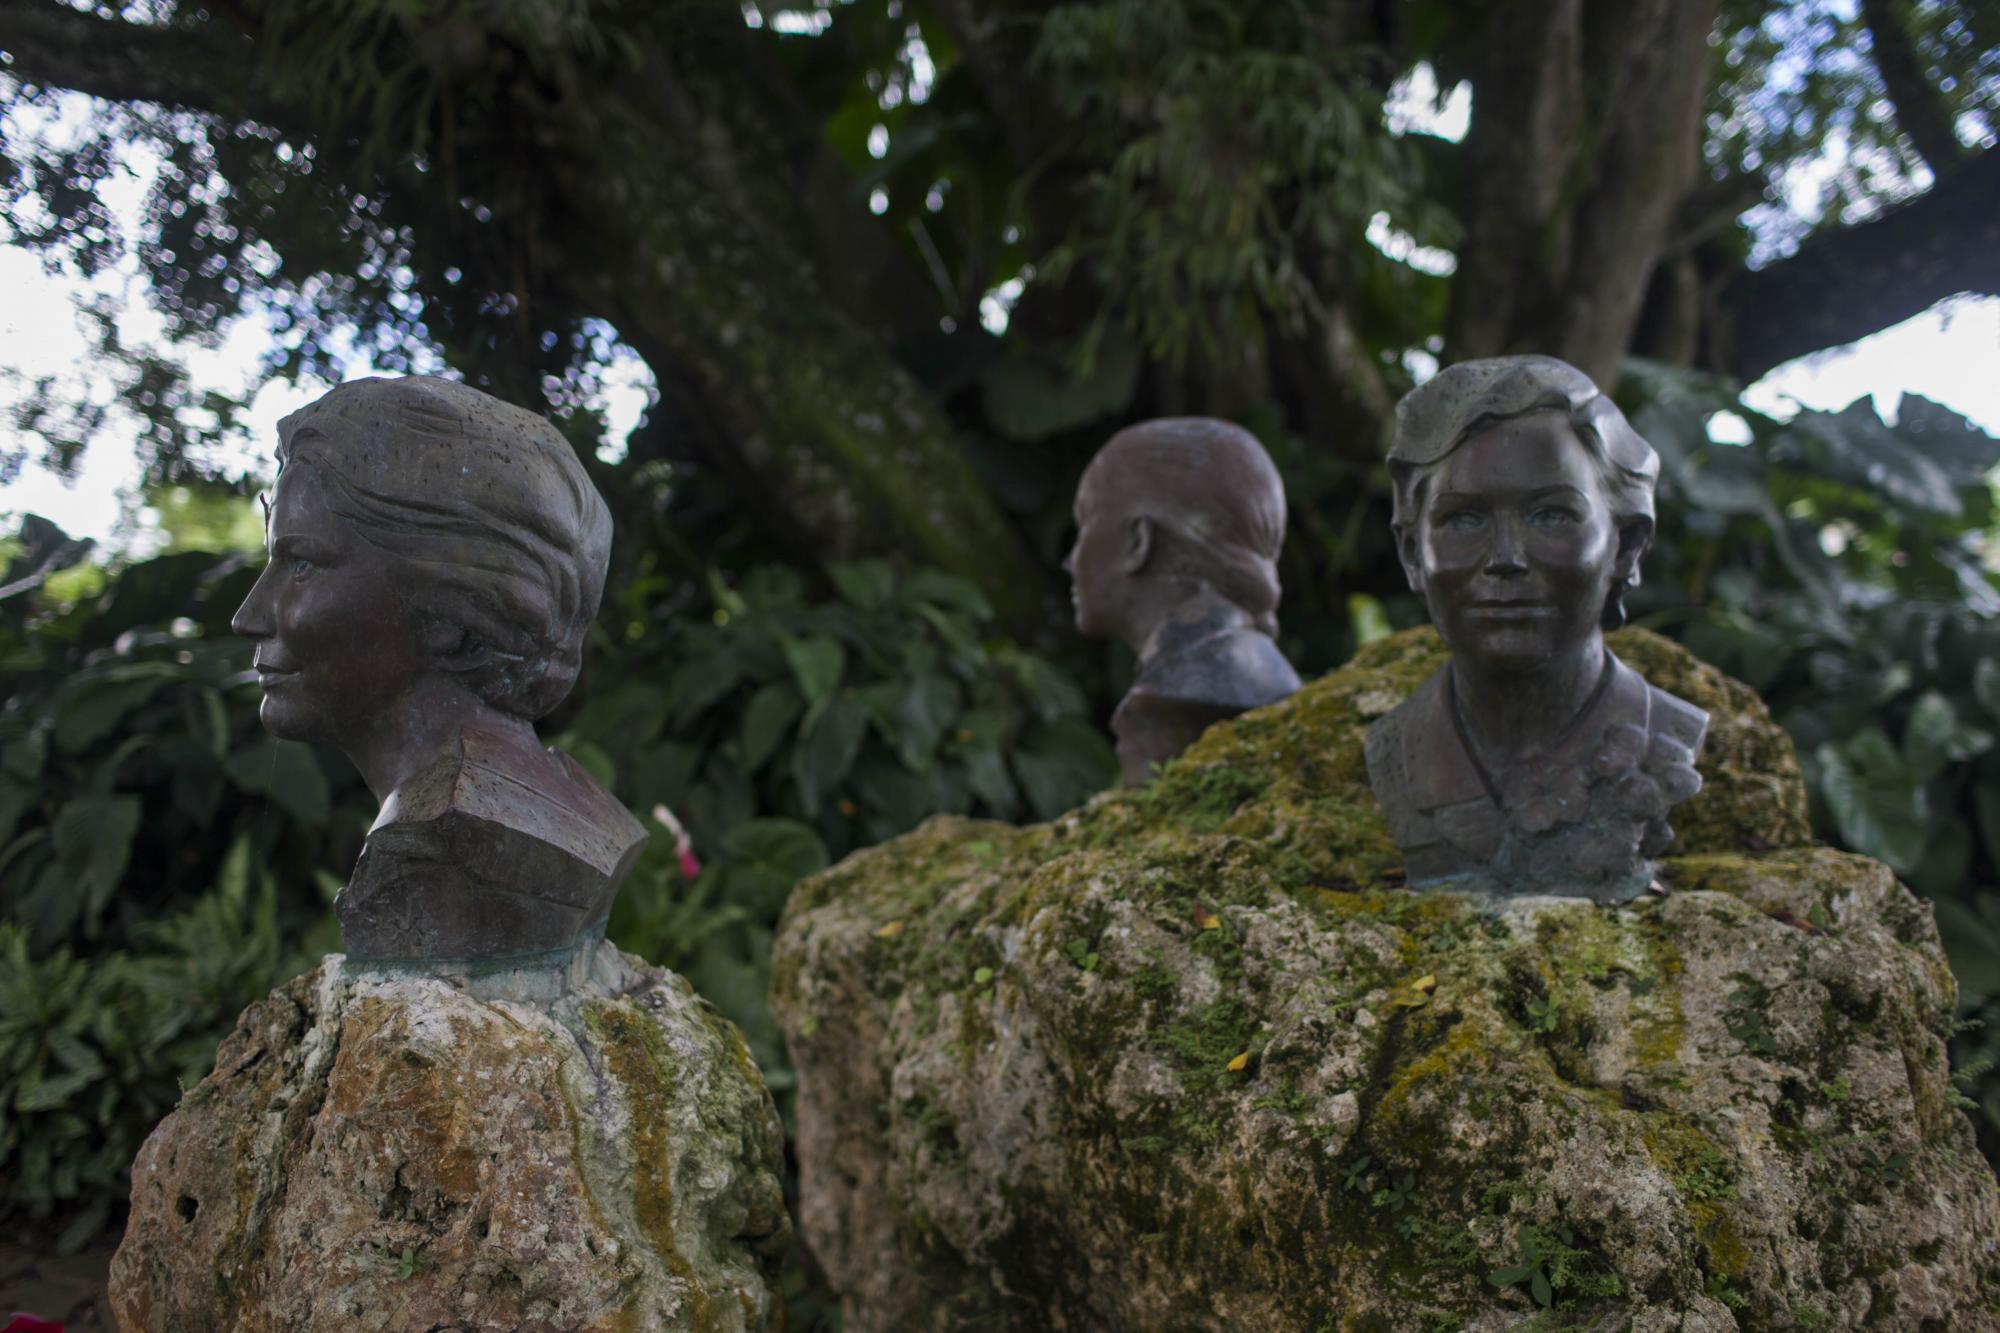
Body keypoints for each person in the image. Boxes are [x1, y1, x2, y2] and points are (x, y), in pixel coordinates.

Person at [231, 376, 645, 962]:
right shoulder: (571, 810)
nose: (247, 617)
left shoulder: (452, 853)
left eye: (301, 564)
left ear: (454, 613)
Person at [1363, 355, 1707, 901]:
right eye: (1465, 519)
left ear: (1627, 544)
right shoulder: (1395, 747)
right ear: (1412, 554)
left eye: (1551, 515)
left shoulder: (1666, 735)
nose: (1505, 558)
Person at [1066, 417, 1301, 785]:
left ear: (1137, 542)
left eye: (1085, 524)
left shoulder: (1190, 695)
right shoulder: (1236, 675)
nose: (1071, 560)